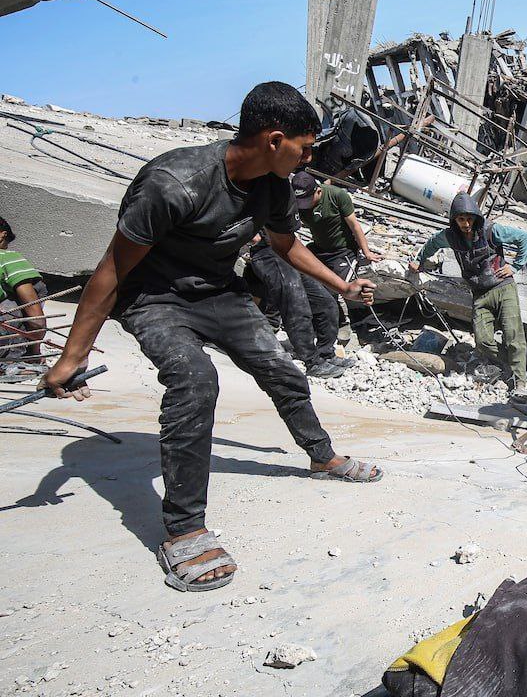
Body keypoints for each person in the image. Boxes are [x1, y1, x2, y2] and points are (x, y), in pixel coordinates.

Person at [42, 82, 384, 592]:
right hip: (155, 297)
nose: (310, 158)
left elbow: (285, 243)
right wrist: (73, 356)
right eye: (305, 147)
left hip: (220, 292)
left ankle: (322, 456)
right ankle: (184, 530)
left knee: (282, 371)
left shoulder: (273, 184)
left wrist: (343, 286)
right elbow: (112, 269)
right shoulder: (174, 183)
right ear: (273, 140)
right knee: (195, 381)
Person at [411, 193, 527, 390]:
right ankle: (512, 362)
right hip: (480, 294)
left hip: (503, 287)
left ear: (476, 217)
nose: (466, 224)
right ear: (454, 220)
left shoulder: (491, 230)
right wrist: (419, 260)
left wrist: (516, 266)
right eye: (461, 219)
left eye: (469, 219)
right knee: (482, 341)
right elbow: (432, 243)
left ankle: (520, 382)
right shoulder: (450, 237)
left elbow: (523, 238)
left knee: (513, 334)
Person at [245, 235, 345, 379]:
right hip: (268, 253)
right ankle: (312, 362)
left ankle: (326, 354)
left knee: (325, 303)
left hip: (290, 250)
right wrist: (257, 239)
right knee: (296, 307)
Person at [291, 171, 384, 286]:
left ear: (318, 191)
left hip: (341, 250)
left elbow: (354, 226)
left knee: (335, 285)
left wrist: (367, 252)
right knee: (298, 273)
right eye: (299, 201)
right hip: (319, 247)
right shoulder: (296, 202)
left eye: (306, 201)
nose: (303, 205)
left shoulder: (336, 196)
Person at [0, 217, 47, 364]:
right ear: (2, 235)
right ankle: (16, 357)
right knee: (14, 305)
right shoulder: (8, 257)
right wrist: (35, 352)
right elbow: (35, 317)